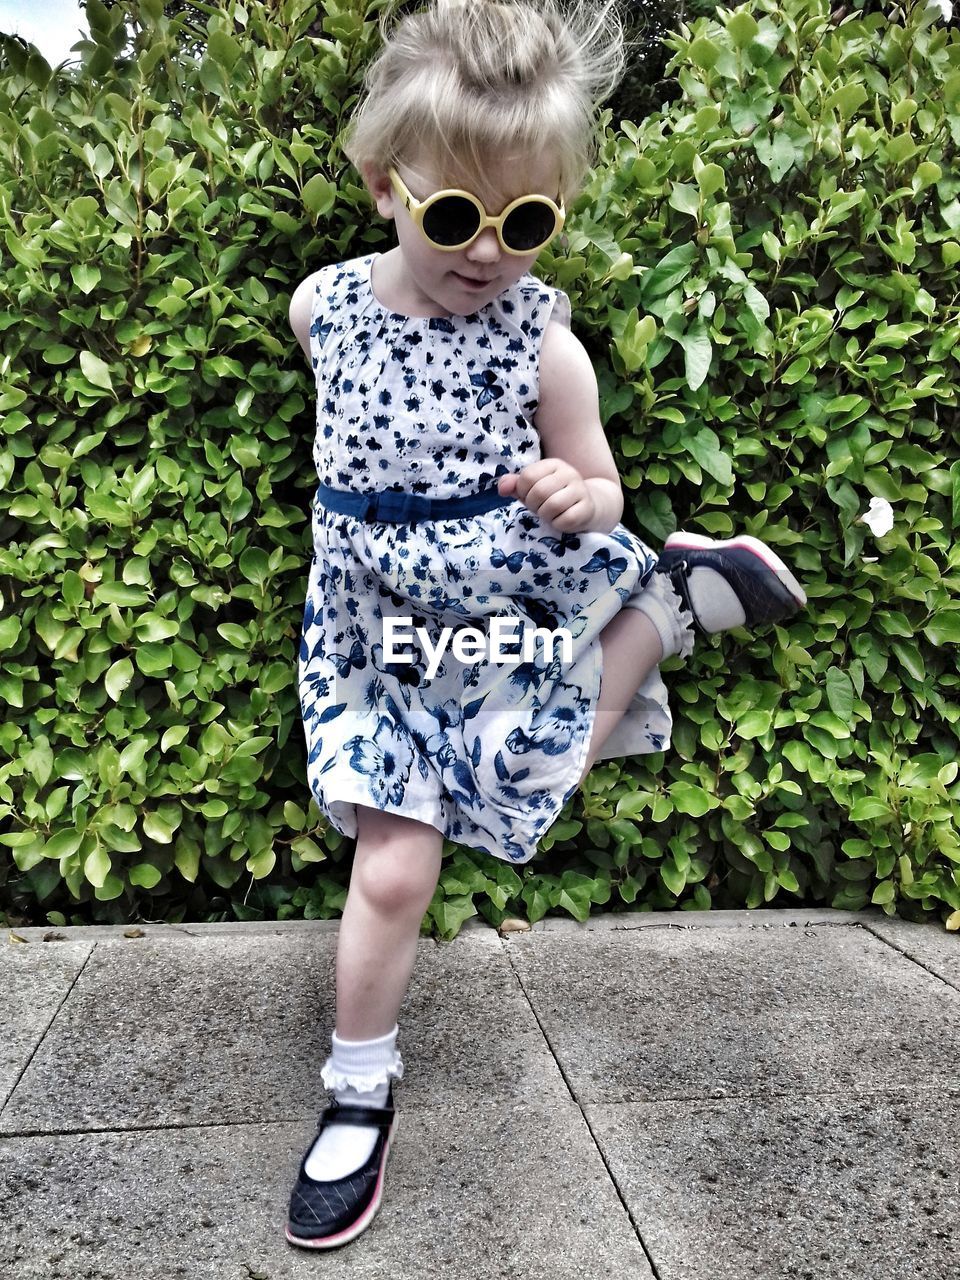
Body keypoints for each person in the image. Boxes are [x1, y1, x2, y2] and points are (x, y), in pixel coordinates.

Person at [284, 0, 806, 1250]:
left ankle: (651, 617)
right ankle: (359, 1089)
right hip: (371, 632)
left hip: (503, 605)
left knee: (536, 778)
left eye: (529, 223)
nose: (487, 252)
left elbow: (601, 478)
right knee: (397, 862)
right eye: (457, 214)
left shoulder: (545, 345)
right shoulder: (322, 310)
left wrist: (587, 495)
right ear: (383, 185)